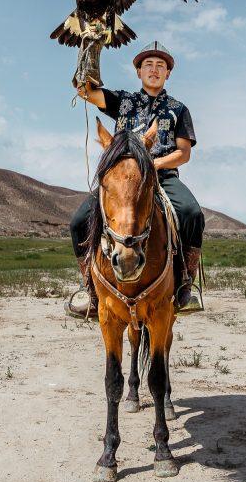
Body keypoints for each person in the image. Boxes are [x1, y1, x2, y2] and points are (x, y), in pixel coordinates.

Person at [67, 41, 205, 318]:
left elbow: (183, 152)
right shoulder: (123, 101)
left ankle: (186, 286)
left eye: (160, 66)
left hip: (161, 175)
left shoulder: (179, 109)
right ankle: (91, 290)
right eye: (148, 65)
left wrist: (152, 164)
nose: (154, 70)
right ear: (139, 72)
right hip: (122, 179)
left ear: (168, 73)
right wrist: (89, 56)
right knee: (79, 221)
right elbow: (85, 92)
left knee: (192, 213)